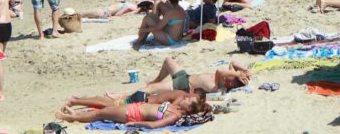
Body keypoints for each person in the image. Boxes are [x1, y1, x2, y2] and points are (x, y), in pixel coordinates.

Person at [55, 91, 209, 128]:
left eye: (189, 100)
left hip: (132, 114)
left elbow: (154, 125)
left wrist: (135, 124)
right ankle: (77, 114)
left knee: (99, 113)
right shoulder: (175, 107)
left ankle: (71, 118)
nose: (186, 97)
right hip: (135, 107)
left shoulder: (174, 116)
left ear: (188, 108)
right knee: (105, 108)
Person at [146, 57, 251, 94]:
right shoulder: (228, 77)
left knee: (150, 89)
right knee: (168, 61)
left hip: (183, 85)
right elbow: (232, 63)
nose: (229, 74)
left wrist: (236, 74)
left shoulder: (219, 87)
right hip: (186, 76)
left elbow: (219, 71)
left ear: (231, 83)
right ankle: (157, 80)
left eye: (231, 76)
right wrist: (245, 71)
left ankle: (129, 100)